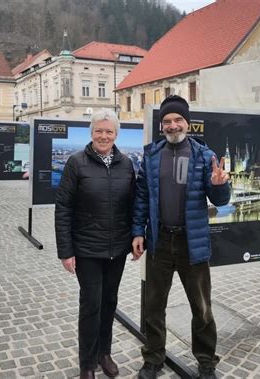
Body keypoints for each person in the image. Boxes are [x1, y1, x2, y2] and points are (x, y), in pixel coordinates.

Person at [131, 95, 231, 379]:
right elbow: (141, 198)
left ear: (187, 123)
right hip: (159, 241)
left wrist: (219, 185)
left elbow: (220, 200)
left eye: (177, 120)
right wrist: (138, 231)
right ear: (161, 125)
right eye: (167, 121)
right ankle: (153, 359)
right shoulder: (151, 155)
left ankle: (206, 361)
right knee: (153, 306)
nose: (172, 125)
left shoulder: (204, 156)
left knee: (201, 308)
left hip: (193, 243)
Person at [55, 109, 135, 379]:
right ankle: (87, 363)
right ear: (91, 133)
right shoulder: (76, 163)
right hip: (87, 249)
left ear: (116, 135)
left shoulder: (126, 164)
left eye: (108, 131)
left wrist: (137, 236)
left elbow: (133, 205)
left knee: (109, 302)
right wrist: (66, 251)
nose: (103, 136)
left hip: (117, 248)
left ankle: (104, 353)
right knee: (91, 304)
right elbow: (63, 208)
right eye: (99, 131)